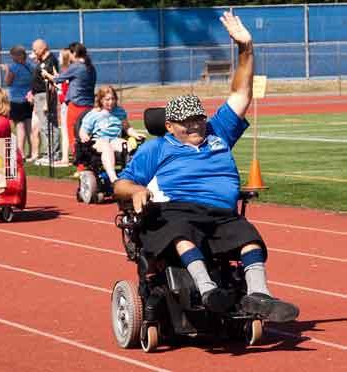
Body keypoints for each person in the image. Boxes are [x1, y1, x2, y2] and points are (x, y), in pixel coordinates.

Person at [114, 12, 299, 323]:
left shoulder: (218, 132)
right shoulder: (157, 147)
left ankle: (259, 296)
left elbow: (241, 93)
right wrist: (137, 189)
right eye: (188, 122)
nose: (197, 124)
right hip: (179, 211)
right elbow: (122, 184)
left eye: (199, 118)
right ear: (170, 125)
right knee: (180, 232)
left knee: (249, 236)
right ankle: (208, 290)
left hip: (221, 213)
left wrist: (246, 48)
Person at [42, 42, 96, 160]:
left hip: (76, 106)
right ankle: (89, 161)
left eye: (70, 53)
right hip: (89, 106)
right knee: (87, 135)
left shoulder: (76, 66)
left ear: (75, 53)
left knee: (73, 136)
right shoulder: (90, 67)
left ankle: (80, 164)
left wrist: (46, 74)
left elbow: (58, 79)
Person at [79, 85, 144, 183]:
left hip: (114, 139)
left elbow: (127, 127)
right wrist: (84, 136)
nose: (111, 102)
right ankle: (113, 178)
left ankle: (131, 175)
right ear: (101, 100)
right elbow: (82, 130)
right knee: (106, 146)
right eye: (107, 99)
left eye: (113, 99)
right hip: (98, 140)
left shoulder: (120, 112)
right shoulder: (94, 114)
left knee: (127, 147)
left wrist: (135, 134)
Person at [0, 45, 35, 157]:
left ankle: (21, 153)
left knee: (20, 126)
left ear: (17, 55)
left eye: (13, 55)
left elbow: (8, 82)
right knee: (29, 125)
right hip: (29, 99)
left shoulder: (13, 68)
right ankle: (33, 151)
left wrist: (6, 70)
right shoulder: (30, 66)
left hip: (16, 100)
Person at [30, 38, 60, 163]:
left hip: (44, 96)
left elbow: (51, 83)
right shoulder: (43, 61)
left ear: (42, 48)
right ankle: (49, 152)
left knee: (49, 125)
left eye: (35, 49)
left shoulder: (49, 62)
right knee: (44, 126)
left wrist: (47, 102)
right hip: (39, 95)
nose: (33, 52)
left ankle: (54, 154)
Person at [56, 48, 71, 166]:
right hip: (64, 105)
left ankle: (66, 158)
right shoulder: (64, 73)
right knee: (65, 131)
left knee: (66, 131)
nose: (58, 58)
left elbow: (65, 94)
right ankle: (66, 157)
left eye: (60, 56)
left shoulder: (68, 73)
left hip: (67, 105)